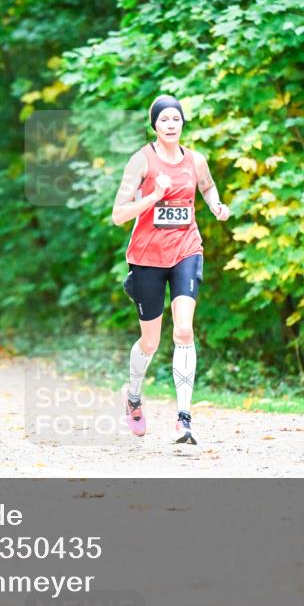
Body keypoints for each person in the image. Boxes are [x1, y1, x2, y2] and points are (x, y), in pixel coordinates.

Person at [111, 95, 231, 445]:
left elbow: (207, 186)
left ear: (182, 123)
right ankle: (133, 397)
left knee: (183, 330)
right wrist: (153, 196)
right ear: (154, 125)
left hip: (185, 250)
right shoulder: (141, 161)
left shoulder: (196, 160)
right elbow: (118, 214)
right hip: (147, 257)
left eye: (175, 118)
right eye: (163, 119)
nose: (170, 124)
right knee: (151, 341)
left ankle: (184, 418)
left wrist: (217, 205)